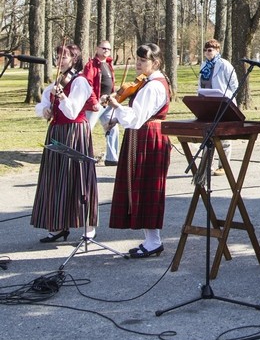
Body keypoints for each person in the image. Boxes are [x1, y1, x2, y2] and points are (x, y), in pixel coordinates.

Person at [106, 43, 172, 258]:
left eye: (143, 61)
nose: (138, 64)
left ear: (155, 62)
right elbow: (136, 116)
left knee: (146, 188)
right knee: (139, 188)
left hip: (148, 138)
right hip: (142, 135)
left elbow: (135, 117)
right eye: (138, 59)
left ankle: (154, 241)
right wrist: (116, 117)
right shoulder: (148, 83)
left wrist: (116, 106)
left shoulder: (154, 86)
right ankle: (151, 240)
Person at [32, 43, 98, 243]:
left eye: (65, 57)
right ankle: (58, 225)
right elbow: (43, 101)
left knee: (78, 178)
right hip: (57, 131)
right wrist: (44, 109)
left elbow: (72, 110)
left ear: (74, 60)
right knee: (55, 180)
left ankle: (89, 227)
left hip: (75, 132)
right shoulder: (56, 82)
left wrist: (61, 96)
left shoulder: (80, 82)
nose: (60, 60)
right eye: (58, 56)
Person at [198, 39, 239, 176]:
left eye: (210, 50)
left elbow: (234, 84)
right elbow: (201, 83)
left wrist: (230, 100)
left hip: (223, 103)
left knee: (223, 136)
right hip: (208, 103)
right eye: (205, 50)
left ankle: (224, 165)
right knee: (208, 135)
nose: (207, 53)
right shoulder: (204, 65)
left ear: (217, 50)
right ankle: (207, 165)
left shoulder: (224, 65)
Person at [81, 40, 119, 167]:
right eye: (103, 48)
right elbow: (87, 85)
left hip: (108, 102)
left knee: (113, 128)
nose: (106, 51)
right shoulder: (91, 65)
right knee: (86, 130)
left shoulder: (108, 64)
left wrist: (114, 96)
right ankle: (82, 156)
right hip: (95, 104)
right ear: (97, 49)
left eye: (108, 49)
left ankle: (112, 158)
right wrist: (94, 102)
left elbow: (110, 83)